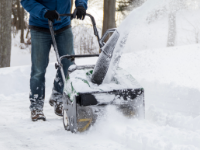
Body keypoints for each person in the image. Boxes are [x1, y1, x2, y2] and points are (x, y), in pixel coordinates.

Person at [21, 0, 88, 121]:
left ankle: (58, 97)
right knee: (38, 69)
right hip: (40, 25)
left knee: (68, 64)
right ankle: (36, 106)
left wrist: (80, 5)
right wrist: (44, 12)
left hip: (63, 24)